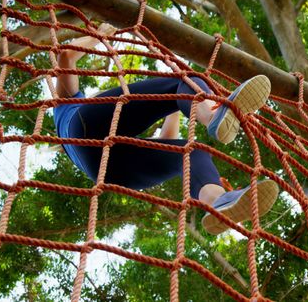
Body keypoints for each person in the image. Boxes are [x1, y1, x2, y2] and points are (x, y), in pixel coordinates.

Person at [53, 23, 279, 235]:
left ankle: (218, 201)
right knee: (186, 80)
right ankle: (212, 115)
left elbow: (168, 139)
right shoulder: (67, 105)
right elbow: (66, 56)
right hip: (87, 130)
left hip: (108, 172)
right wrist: (100, 32)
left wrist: (175, 102)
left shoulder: (70, 133)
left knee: (190, 152)